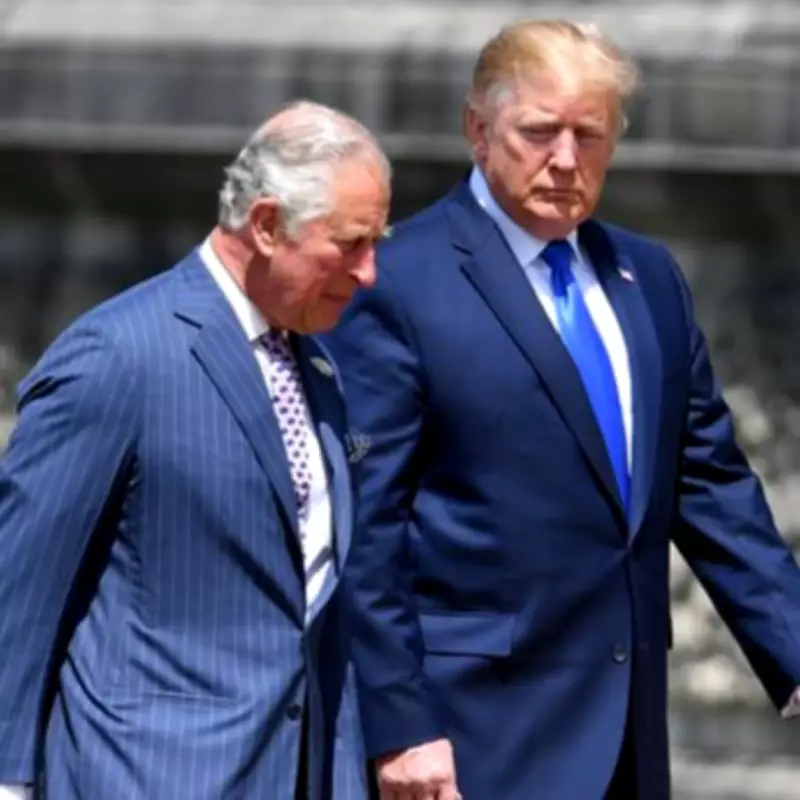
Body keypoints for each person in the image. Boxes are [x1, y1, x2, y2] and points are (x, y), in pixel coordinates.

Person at [323, 20, 800, 800]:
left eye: (591, 135)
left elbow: (710, 485)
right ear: (478, 130)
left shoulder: (649, 277)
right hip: (471, 737)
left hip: (627, 732)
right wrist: (399, 724)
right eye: (540, 132)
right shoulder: (398, 281)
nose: (567, 159)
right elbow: (364, 525)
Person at [0, 100, 390, 800]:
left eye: (377, 242)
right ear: (266, 224)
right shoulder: (118, 357)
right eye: (351, 243)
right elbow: (18, 591)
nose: (369, 273)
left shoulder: (316, 365)